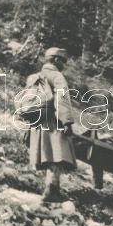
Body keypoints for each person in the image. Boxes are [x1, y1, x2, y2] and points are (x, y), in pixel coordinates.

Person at [27, 47, 77, 202]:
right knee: (57, 156)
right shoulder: (57, 76)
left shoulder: (34, 77)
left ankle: (52, 190)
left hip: (37, 122)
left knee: (47, 155)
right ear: (56, 60)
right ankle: (51, 191)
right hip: (53, 122)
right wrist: (67, 122)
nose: (64, 65)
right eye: (62, 61)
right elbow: (62, 99)